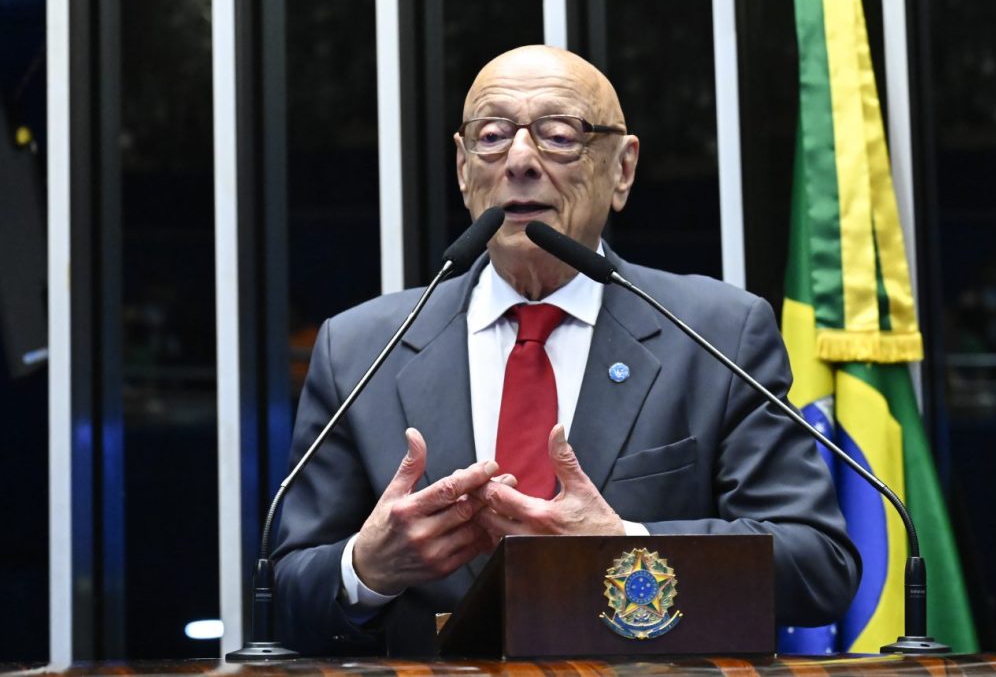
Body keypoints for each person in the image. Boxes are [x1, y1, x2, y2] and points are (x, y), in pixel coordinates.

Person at [272, 44, 860, 657]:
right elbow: (283, 594)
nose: (520, 160)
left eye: (559, 135)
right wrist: (366, 569)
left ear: (622, 170)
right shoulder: (361, 348)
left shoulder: (717, 334)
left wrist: (625, 544)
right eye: (492, 136)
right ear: (463, 168)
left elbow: (818, 565)